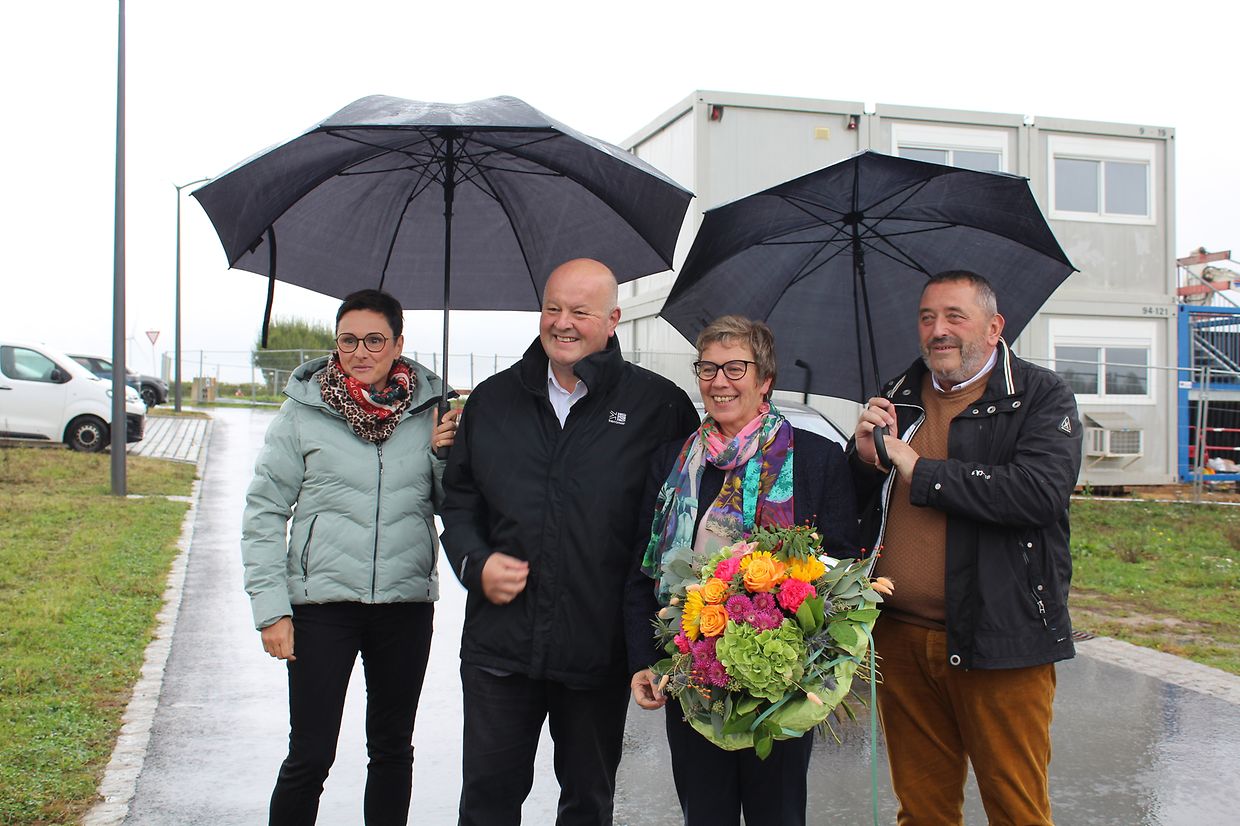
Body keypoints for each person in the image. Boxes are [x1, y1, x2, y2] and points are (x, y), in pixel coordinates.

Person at [440, 257, 699, 826]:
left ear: (613, 319)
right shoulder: (492, 400)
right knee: (486, 803)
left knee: (587, 805)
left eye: (580, 312)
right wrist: (474, 562)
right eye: (552, 308)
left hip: (596, 650)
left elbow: (684, 519)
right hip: (499, 647)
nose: (563, 322)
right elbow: (458, 501)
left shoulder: (659, 407)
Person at [850, 271, 1083, 826]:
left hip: (1000, 638)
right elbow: (862, 507)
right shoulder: (899, 396)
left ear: (994, 326)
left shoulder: (1039, 395)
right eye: (927, 318)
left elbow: (1038, 493)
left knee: (1017, 810)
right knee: (922, 812)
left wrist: (921, 470)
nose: (939, 330)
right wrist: (861, 462)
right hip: (902, 637)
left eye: (955, 316)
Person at [625, 315, 862, 826]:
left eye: (735, 368)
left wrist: (808, 659)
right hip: (691, 678)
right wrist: (644, 660)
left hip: (782, 688)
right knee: (704, 814)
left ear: (765, 380)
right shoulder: (673, 462)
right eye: (707, 368)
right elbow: (644, 570)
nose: (719, 382)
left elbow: (841, 566)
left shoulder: (816, 460)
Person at [241, 288, 460, 825]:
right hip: (321, 607)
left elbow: (451, 506)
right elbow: (264, 511)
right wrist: (271, 610)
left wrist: (443, 456)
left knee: (392, 749)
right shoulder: (303, 412)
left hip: (405, 604)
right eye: (348, 340)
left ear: (399, 343)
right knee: (310, 755)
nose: (360, 352)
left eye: (374, 340)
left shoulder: (434, 412)